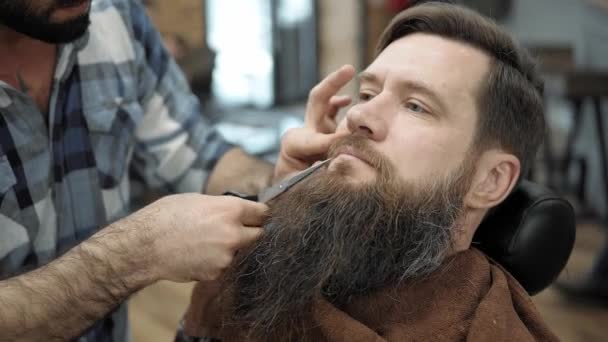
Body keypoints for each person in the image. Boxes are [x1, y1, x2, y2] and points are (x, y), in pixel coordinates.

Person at [178, 2, 560, 341]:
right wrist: (284, 201)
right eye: (367, 94)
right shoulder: (273, 264)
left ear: (490, 180)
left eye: (415, 106)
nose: (359, 115)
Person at [0, 0, 352, 340]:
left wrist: (280, 179)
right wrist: (139, 251)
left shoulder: (117, 18)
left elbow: (199, 153)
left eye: (409, 104)